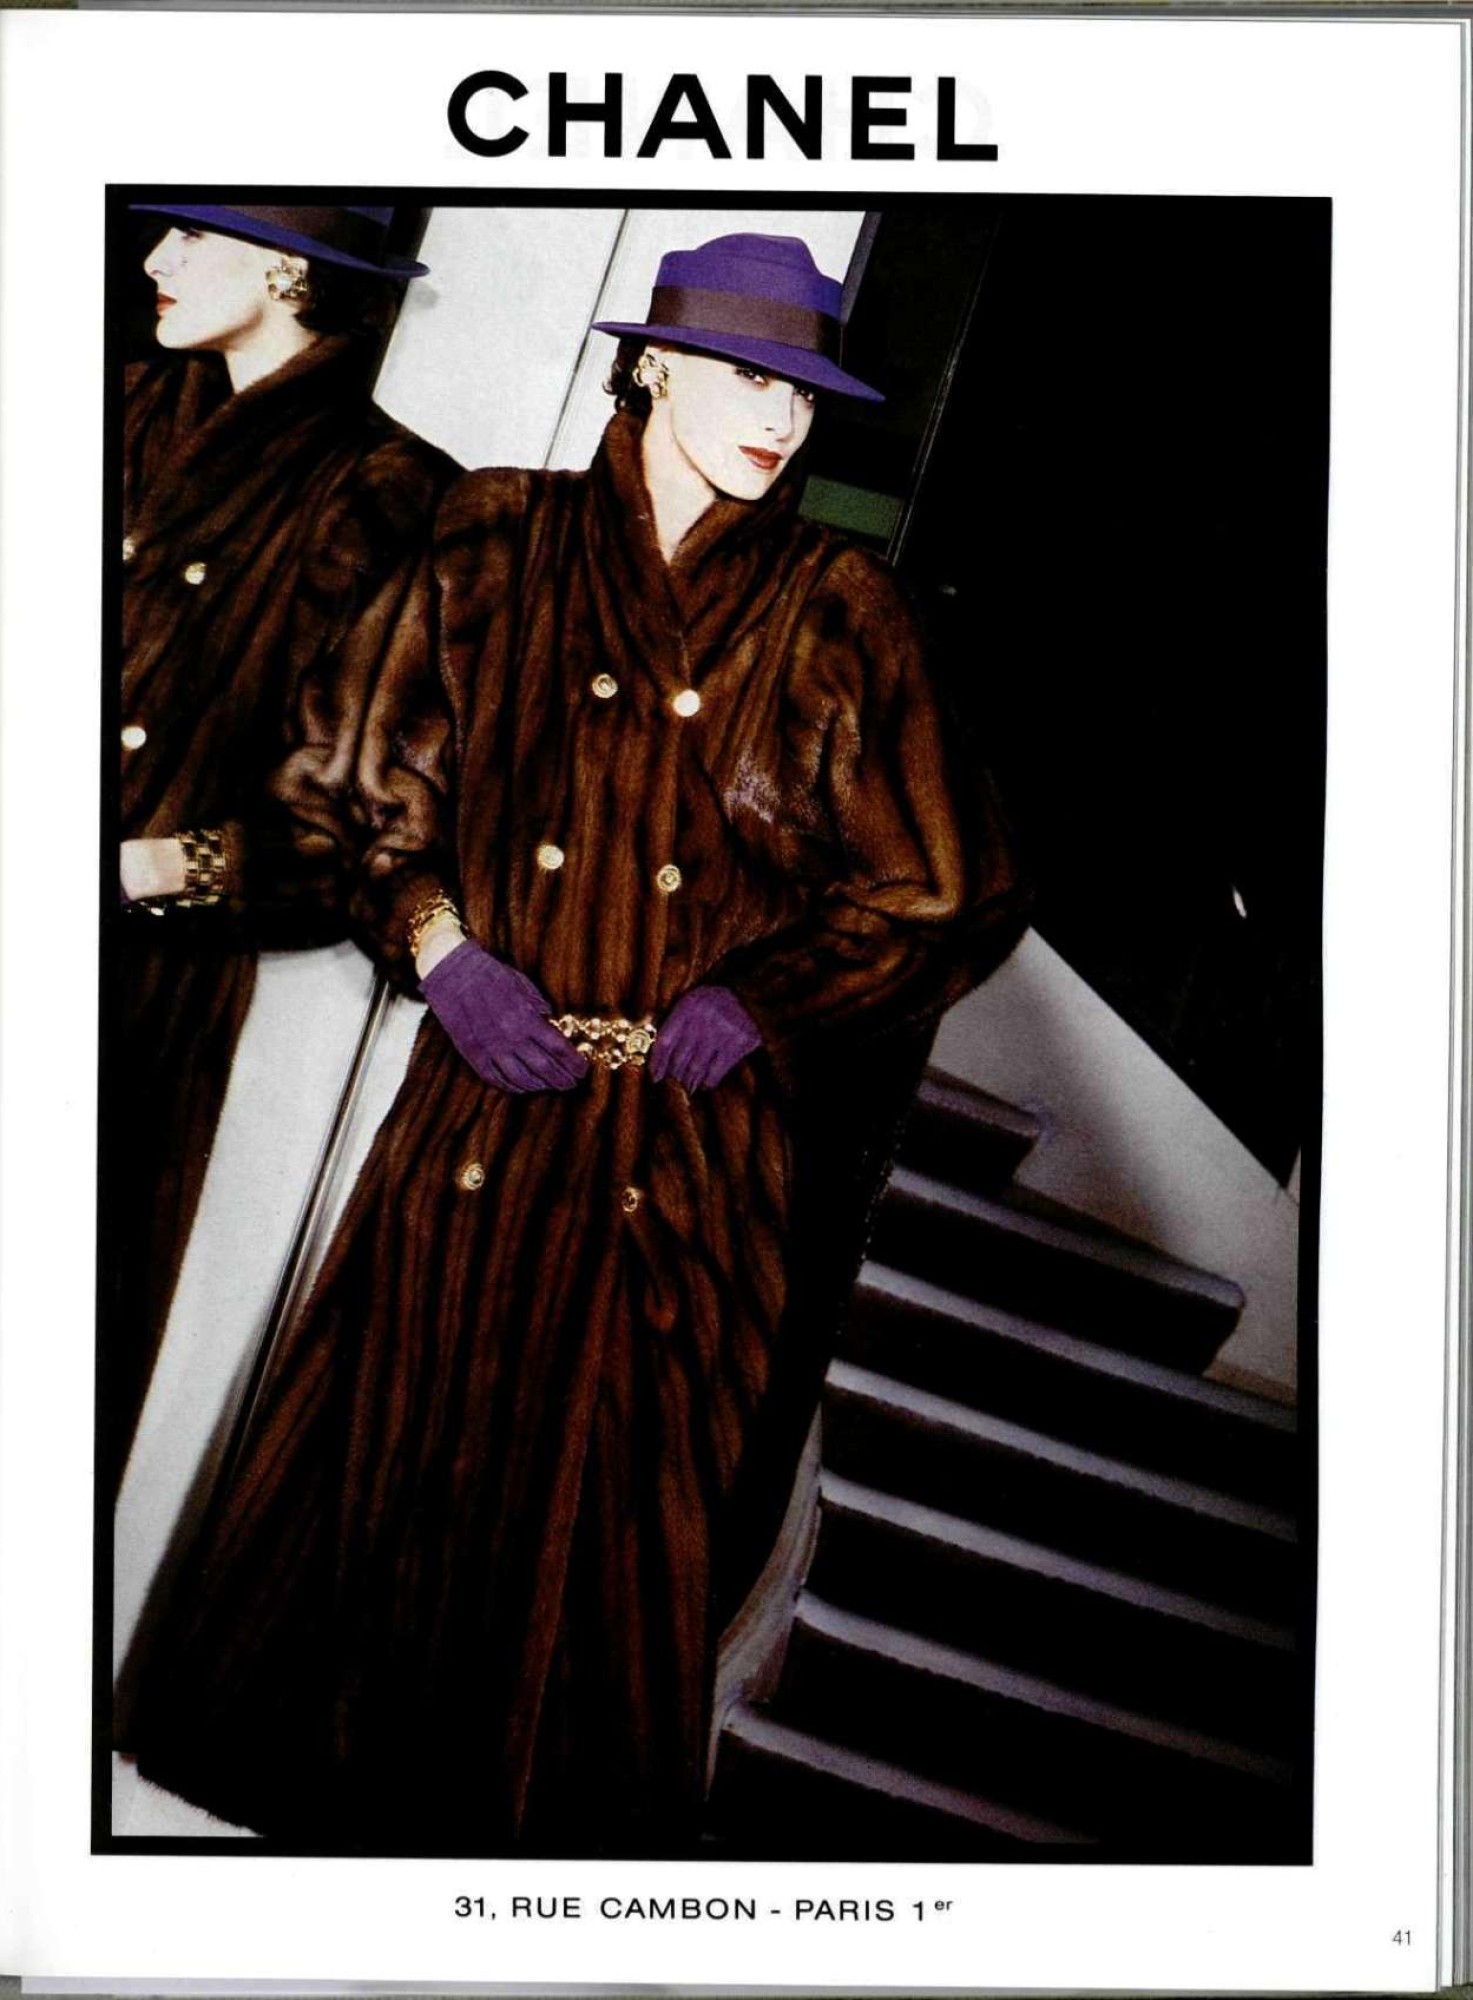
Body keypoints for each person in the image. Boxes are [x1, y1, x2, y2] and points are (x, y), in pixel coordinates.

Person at [126, 232, 1029, 1851]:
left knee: (609, 1552)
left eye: (803, 394)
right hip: (479, 1110)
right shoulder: (495, 537)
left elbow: (947, 897)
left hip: (690, 1152)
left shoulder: (838, 611)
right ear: (652, 365)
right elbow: (355, 799)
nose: (779, 420)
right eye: (747, 375)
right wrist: (444, 950)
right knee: (383, 1498)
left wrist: (763, 1000)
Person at [108, 205, 455, 1491]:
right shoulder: (114, 406)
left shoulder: (385, 491)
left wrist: (150, 867)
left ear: (287, 267)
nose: (155, 260)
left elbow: (350, 827)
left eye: (192, 237)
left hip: (134, 993)